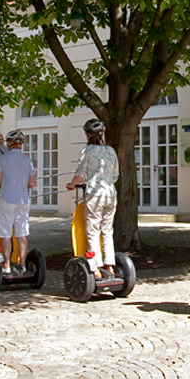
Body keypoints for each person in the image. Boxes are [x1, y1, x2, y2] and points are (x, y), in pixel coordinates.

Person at [66, 119, 120, 279]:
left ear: (89, 134)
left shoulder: (87, 151)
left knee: (93, 231)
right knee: (107, 231)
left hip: (95, 195)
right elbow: (115, 175)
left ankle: (96, 269)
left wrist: (71, 185)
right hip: (110, 194)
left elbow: (81, 174)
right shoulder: (111, 151)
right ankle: (110, 266)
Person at [0, 130, 36, 275]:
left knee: (6, 234)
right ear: (21, 144)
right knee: (21, 234)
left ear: (9, 143)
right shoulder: (27, 160)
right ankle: (23, 265)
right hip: (22, 200)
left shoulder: (3, 160)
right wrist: (22, 186)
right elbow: (32, 183)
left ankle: (7, 265)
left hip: (6, 199)